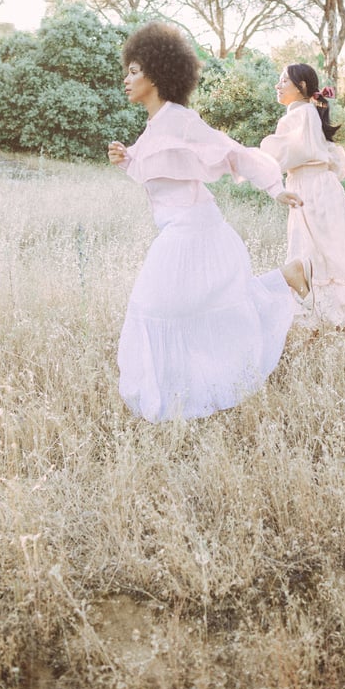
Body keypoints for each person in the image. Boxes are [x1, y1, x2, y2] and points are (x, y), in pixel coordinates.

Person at [108, 22, 313, 423]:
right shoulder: (155, 125)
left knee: (163, 306)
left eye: (134, 71)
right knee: (196, 308)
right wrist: (127, 157)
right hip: (180, 229)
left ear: (156, 72)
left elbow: (232, 152)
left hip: (195, 230)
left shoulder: (180, 119)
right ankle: (282, 278)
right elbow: (164, 169)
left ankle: (177, 399)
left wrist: (274, 187)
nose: (126, 79)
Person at [259, 63, 345, 330]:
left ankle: (321, 321)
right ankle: (334, 322)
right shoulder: (308, 113)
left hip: (311, 190)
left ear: (301, 87)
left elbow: (283, 155)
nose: (277, 86)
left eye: (283, 81)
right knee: (326, 257)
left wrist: (256, 162)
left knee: (313, 257)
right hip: (320, 188)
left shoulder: (299, 114)